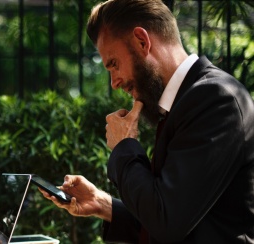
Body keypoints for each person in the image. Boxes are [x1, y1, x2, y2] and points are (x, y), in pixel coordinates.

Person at [39, 0, 254, 243]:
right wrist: (103, 204)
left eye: (113, 64)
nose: (114, 82)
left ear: (142, 41)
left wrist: (124, 147)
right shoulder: (185, 102)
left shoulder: (215, 99)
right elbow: (176, 215)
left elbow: (167, 223)